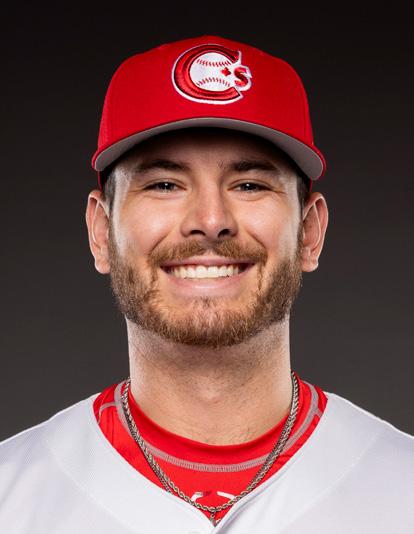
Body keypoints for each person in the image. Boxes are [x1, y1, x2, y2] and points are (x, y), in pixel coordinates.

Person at [0, 35, 412, 533]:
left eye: (249, 184)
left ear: (310, 232)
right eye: (164, 184)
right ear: (100, 232)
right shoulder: (11, 496)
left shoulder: (402, 488)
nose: (211, 221)